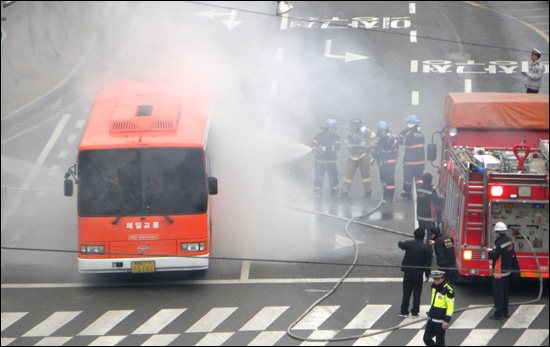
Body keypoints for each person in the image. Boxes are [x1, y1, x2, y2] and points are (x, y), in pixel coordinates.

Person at [398, 228, 433, 318]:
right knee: (417, 293)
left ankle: (403, 311)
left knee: (406, 292)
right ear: (423, 237)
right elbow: (427, 263)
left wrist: (400, 241)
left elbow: (400, 244)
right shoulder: (426, 248)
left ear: (414, 235)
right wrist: (427, 274)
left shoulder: (408, 244)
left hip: (408, 272)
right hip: (418, 274)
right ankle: (415, 311)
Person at [340, 118, 377, 198]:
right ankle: (344, 192)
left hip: (363, 155)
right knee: (348, 175)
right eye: (353, 125)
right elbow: (346, 141)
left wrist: (370, 145)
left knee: (366, 175)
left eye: (355, 126)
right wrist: (348, 145)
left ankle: (368, 191)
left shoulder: (365, 131)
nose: (354, 127)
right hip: (353, 156)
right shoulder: (350, 132)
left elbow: (375, 138)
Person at [488, 221, 514, 320]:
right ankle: (505, 311)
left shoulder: (499, 243)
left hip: (499, 273)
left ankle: (499, 313)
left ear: (498, 232)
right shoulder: (509, 241)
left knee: (498, 293)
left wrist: (490, 252)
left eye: (495, 232)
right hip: (507, 271)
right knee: (505, 292)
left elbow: (494, 256)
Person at [310, 119, 341, 199]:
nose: (332, 130)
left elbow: (337, 146)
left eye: (334, 128)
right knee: (318, 179)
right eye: (331, 128)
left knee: (333, 179)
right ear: (326, 128)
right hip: (320, 162)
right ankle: (317, 194)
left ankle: (335, 194)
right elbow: (313, 143)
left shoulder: (336, 136)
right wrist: (313, 147)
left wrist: (325, 148)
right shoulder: (319, 135)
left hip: (331, 162)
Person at [423, 270, 455, 346]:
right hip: (432, 318)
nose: (436, 282)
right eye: (435, 280)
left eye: (438, 280)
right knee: (426, 338)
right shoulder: (434, 287)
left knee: (440, 342)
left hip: (440, 320)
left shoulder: (448, 290)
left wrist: (446, 320)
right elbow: (433, 302)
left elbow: (450, 307)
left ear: (442, 278)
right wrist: (430, 314)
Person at [399, 115, 425, 199]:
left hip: (410, 163)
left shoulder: (409, 136)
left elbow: (400, 140)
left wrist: (404, 130)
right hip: (420, 162)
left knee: (408, 180)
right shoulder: (421, 134)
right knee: (419, 179)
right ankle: (420, 193)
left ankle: (408, 193)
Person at [374, 121, 399, 204]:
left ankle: (389, 198)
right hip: (382, 162)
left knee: (389, 180)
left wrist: (390, 139)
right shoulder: (379, 140)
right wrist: (374, 158)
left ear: (387, 130)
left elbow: (395, 147)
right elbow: (377, 150)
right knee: (383, 180)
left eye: (384, 131)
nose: (382, 133)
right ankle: (384, 196)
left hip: (390, 162)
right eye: (381, 131)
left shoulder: (392, 138)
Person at [417, 172, 443, 243]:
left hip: (420, 216)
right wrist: (442, 198)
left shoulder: (419, 189)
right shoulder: (431, 191)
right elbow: (437, 202)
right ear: (430, 180)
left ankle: (419, 247)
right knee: (430, 236)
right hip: (430, 217)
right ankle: (428, 250)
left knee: (420, 235)